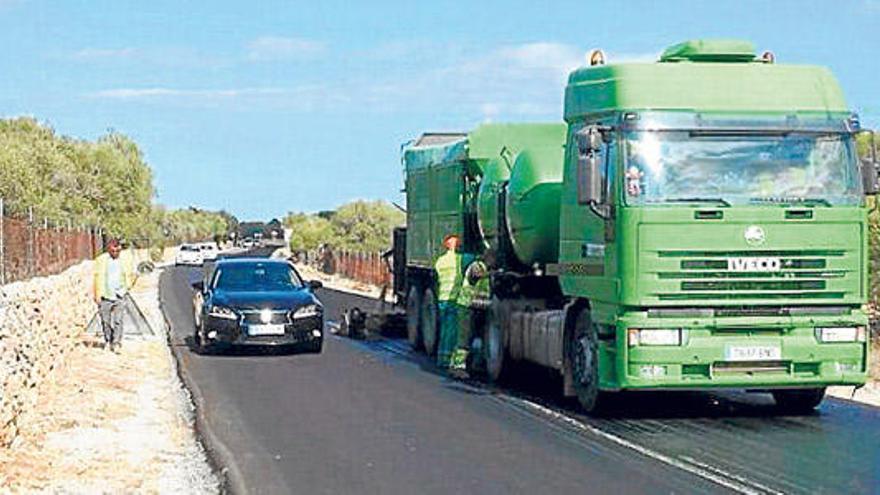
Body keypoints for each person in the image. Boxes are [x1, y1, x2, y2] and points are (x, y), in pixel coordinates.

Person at [451, 256, 491, 376]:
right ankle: (458, 367)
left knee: (473, 337)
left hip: (476, 308)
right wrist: (491, 273)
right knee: (464, 337)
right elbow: (476, 275)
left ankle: (459, 364)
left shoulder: (483, 268)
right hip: (466, 306)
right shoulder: (477, 266)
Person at [93, 239, 136, 352]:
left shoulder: (126, 260)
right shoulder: (101, 261)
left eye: (118, 251)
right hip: (105, 295)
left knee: (118, 320)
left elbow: (131, 274)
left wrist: (128, 287)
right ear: (109, 250)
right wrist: (96, 294)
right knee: (105, 321)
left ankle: (116, 342)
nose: (116, 253)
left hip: (119, 295)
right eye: (113, 251)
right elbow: (96, 278)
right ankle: (108, 340)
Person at [434, 234, 464, 369]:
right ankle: (448, 359)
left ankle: (441, 357)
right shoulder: (459, 259)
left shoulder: (440, 261)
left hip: (442, 298)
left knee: (444, 329)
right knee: (452, 330)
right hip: (453, 298)